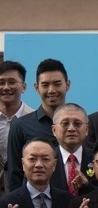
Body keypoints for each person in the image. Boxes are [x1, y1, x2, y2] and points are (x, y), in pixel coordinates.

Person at [6, 58, 72, 191]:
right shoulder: (20, 126)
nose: (51, 90)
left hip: (76, 200)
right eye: (45, 85)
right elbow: (14, 173)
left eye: (57, 84)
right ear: (36, 88)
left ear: (67, 84)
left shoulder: (79, 125)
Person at [0, 59, 34, 193]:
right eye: (1, 83)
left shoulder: (35, 120)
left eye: (12, 82)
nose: (6, 87)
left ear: (24, 87)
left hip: (24, 194)